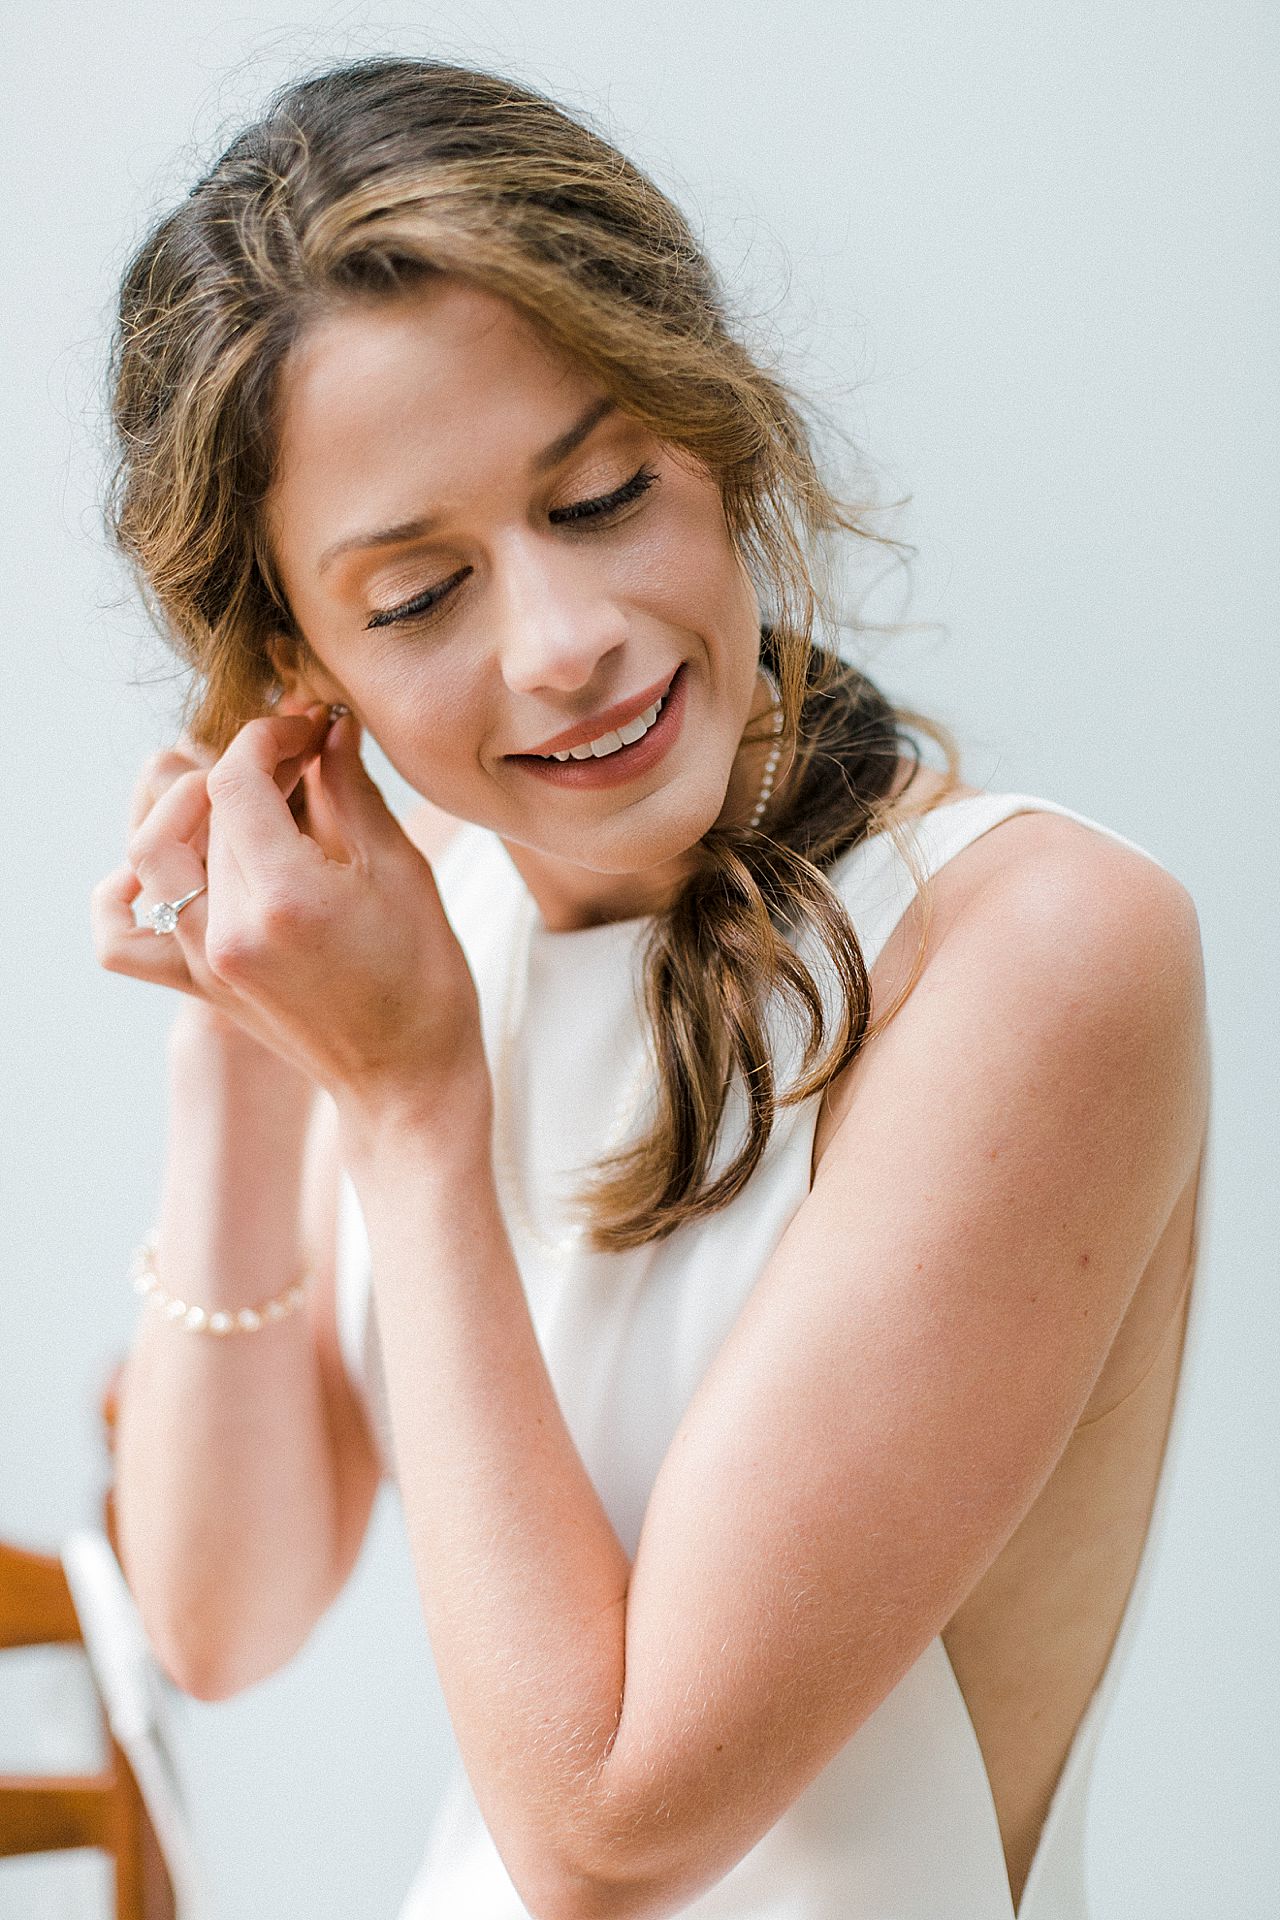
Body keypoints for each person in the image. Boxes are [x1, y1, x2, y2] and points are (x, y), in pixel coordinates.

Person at [89, 55, 1212, 1920]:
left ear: (712, 426)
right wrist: (240, 1043)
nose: (564, 644)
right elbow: (219, 1621)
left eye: (602, 496)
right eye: (418, 596)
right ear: (296, 664)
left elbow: (610, 1832)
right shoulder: (421, 939)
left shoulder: (1032, 951)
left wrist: (414, 1109)